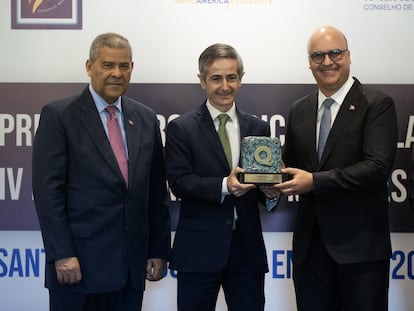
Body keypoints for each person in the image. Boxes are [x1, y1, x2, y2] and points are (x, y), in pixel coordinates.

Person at [32, 32, 171, 311]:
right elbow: (48, 194)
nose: (116, 73)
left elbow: (156, 192)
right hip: (77, 267)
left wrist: (157, 250)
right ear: (89, 66)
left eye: (124, 66)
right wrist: (62, 254)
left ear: (132, 68)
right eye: (107, 65)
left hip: (130, 269)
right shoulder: (59, 116)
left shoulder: (145, 118)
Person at [275, 25, 398, 311]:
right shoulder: (299, 110)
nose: (327, 62)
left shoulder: (376, 104)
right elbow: (291, 165)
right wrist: (270, 180)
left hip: (361, 251)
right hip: (311, 251)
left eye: (335, 53)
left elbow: (377, 167)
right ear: (309, 63)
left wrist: (315, 182)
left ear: (349, 56)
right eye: (318, 55)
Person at [165, 43, 280, 311]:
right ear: (202, 81)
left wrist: (272, 194)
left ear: (241, 78)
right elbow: (179, 182)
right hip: (198, 251)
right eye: (216, 78)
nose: (225, 86)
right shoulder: (181, 128)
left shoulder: (258, 127)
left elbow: (261, 185)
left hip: (246, 250)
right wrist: (224, 185)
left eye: (232, 77)